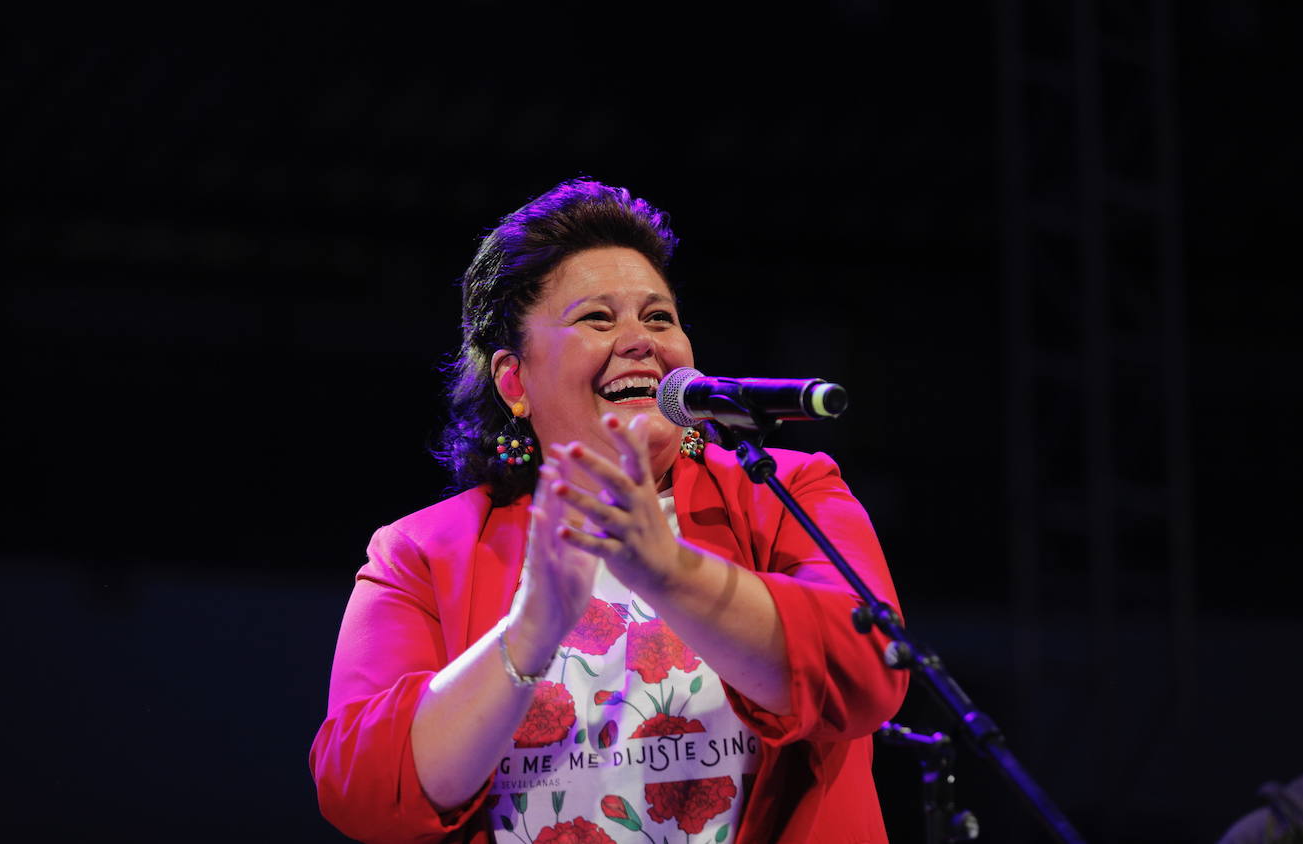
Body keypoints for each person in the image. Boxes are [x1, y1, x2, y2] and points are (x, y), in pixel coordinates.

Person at [309, 180, 908, 843]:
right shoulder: (420, 553)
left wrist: (666, 570)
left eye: (659, 318)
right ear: (515, 380)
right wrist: (527, 633)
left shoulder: (788, 491)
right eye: (598, 318)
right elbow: (362, 791)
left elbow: (871, 671)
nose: (641, 341)